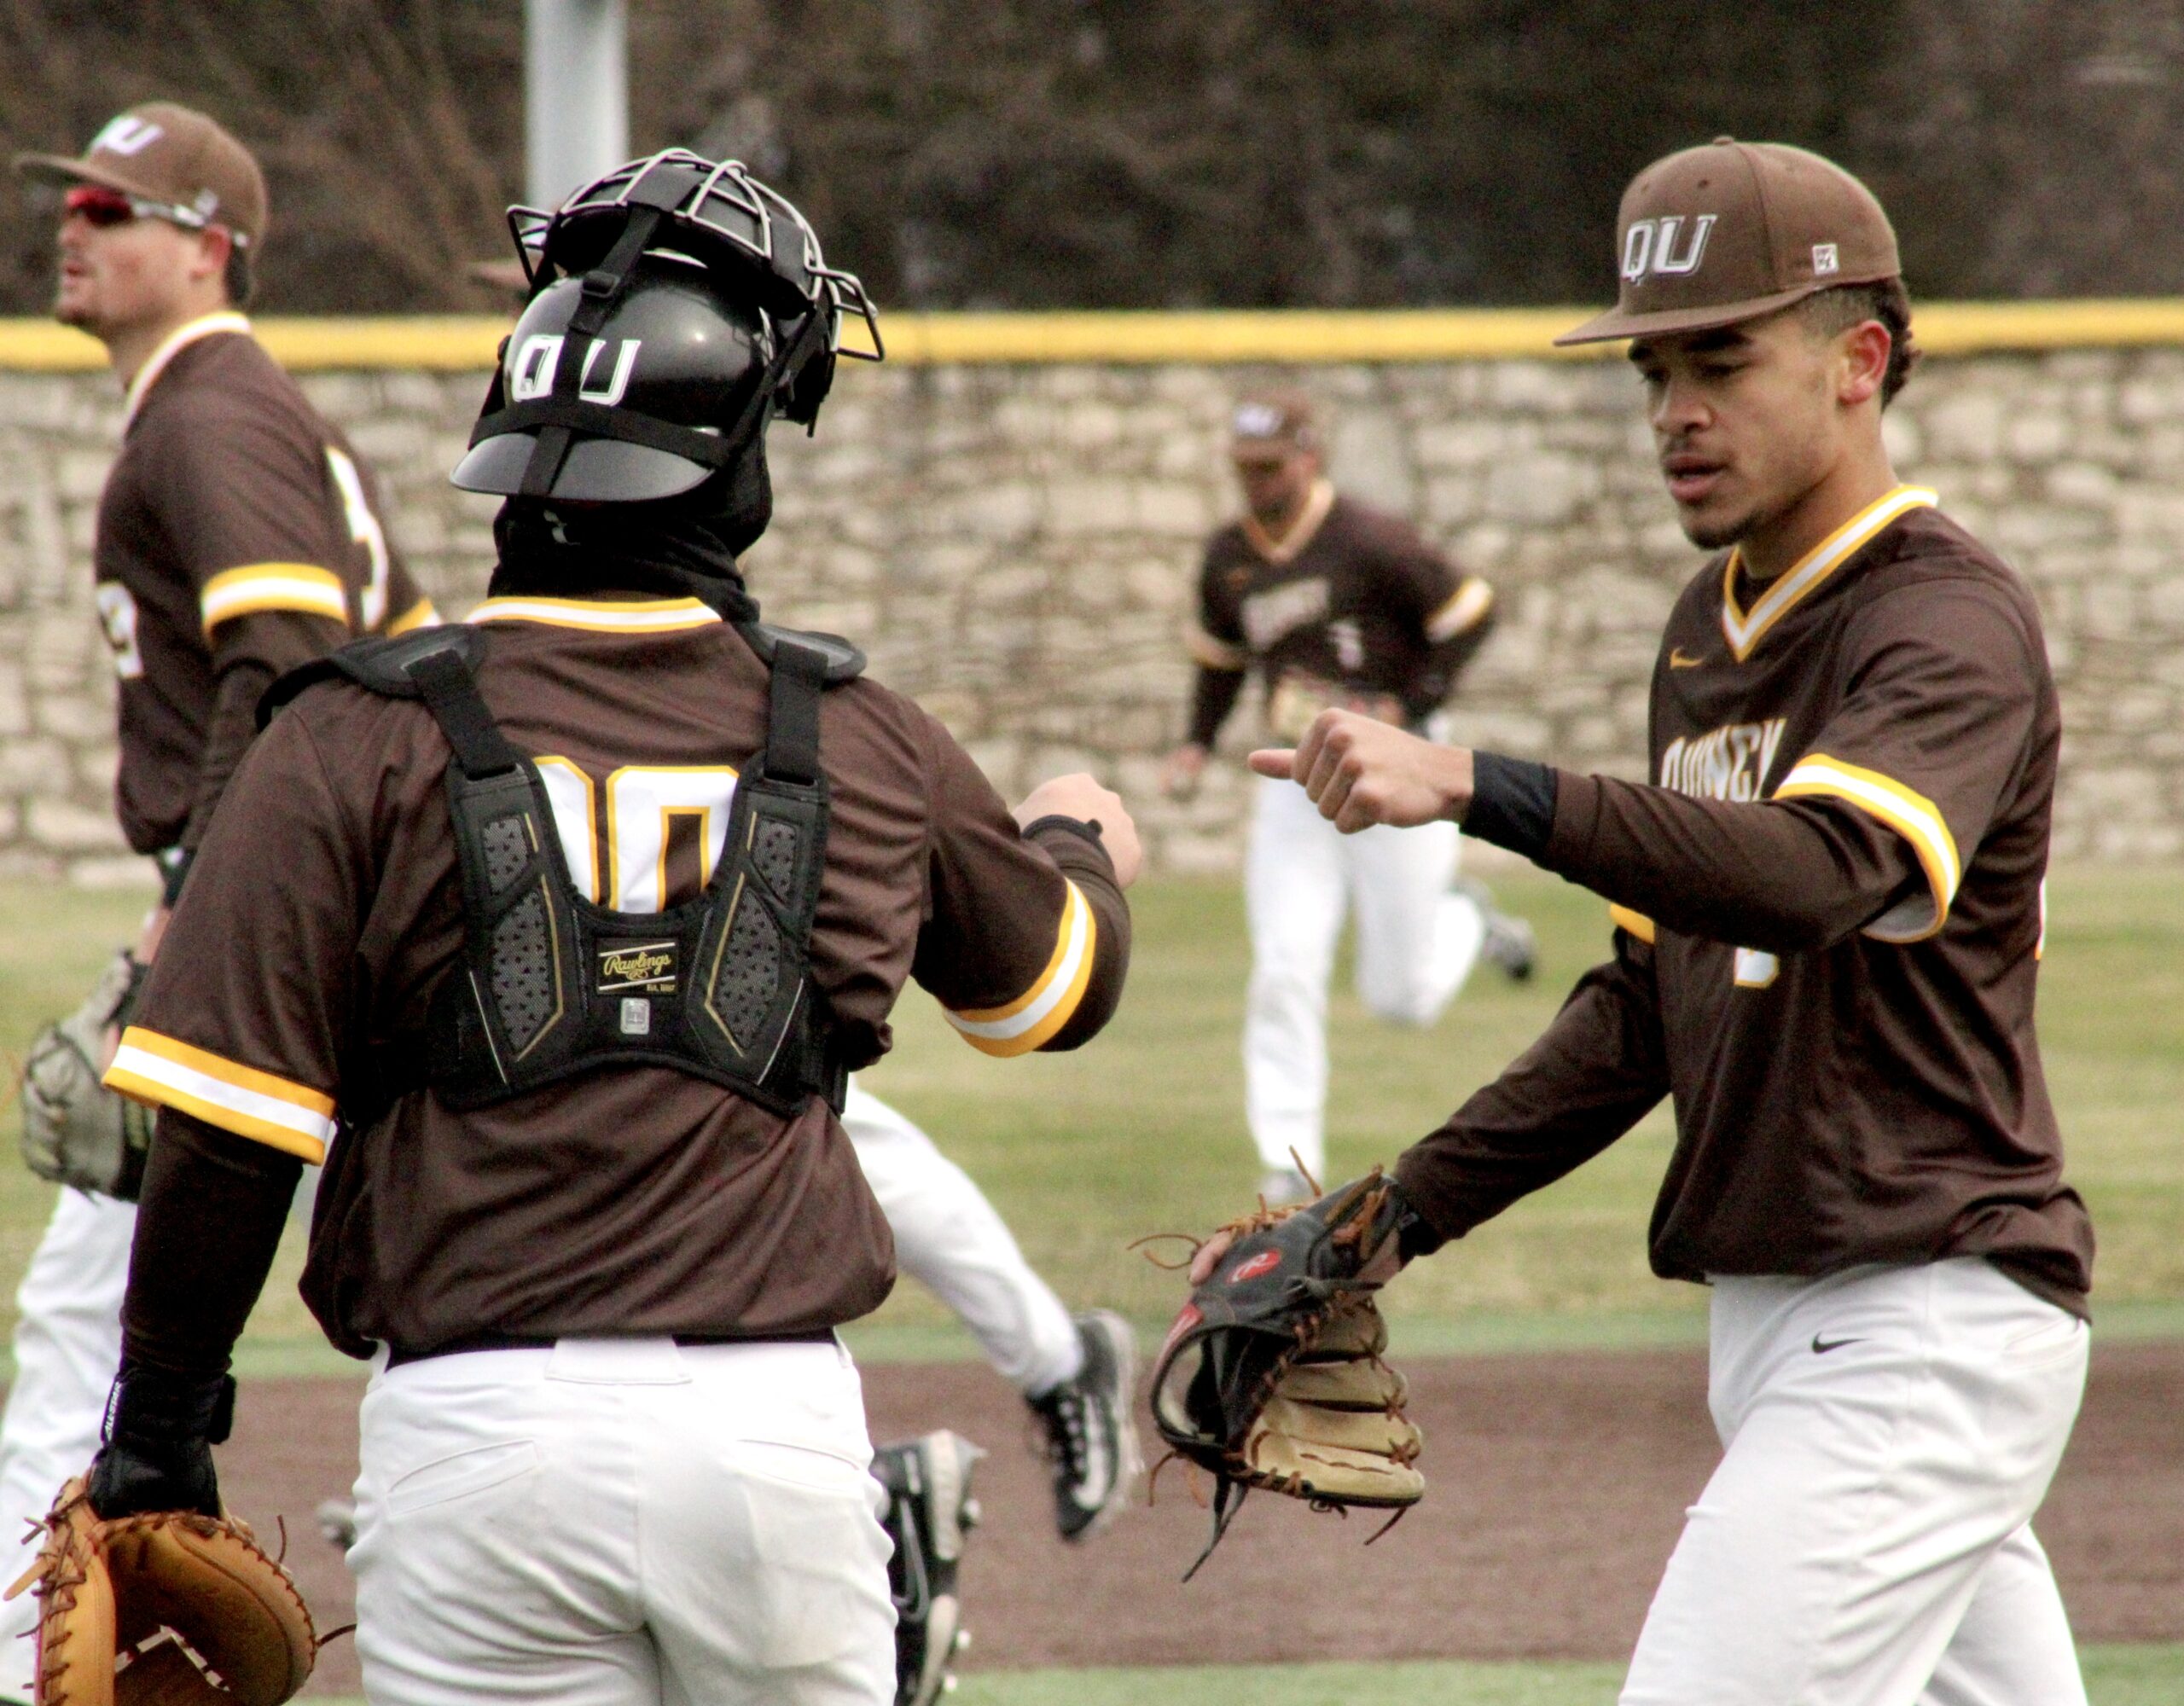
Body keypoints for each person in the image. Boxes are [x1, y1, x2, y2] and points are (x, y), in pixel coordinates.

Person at [90, 148, 1138, 1706]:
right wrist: (1079, 834)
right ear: (733, 467)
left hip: (475, 1443)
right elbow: (1055, 991)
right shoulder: (862, 734)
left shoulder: (343, 738)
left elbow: (227, 1142)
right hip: (775, 1444)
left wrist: (159, 1443)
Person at [1239, 139, 2095, 1704]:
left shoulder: (1943, 618)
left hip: (1919, 1322)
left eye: (1722, 358)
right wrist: (1389, 1219)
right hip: (1796, 1331)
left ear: (1861, 361)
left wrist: (1480, 785)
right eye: (1652, 370)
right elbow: (1650, 1004)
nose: (1674, 413)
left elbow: (1824, 870)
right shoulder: (1704, 631)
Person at [0, 102, 434, 1703]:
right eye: (74, 200)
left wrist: (202, 894)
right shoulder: (223, 406)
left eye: (116, 206)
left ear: (208, 249)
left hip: (311, 903)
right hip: (357, 895)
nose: (77, 224)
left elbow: (289, 657)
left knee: (86, 1303)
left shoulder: (210, 412)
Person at [1164, 393, 1532, 1201]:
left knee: (1400, 999)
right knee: (1285, 964)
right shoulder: (1229, 555)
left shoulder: (1370, 539)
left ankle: (1466, 917)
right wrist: (1196, 742)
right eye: (1243, 468)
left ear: (1309, 458)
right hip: (1298, 782)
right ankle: (1285, 1160)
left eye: (1270, 467)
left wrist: (1414, 701)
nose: (1256, 483)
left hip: (1399, 774)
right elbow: (1220, 659)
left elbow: (1471, 612)